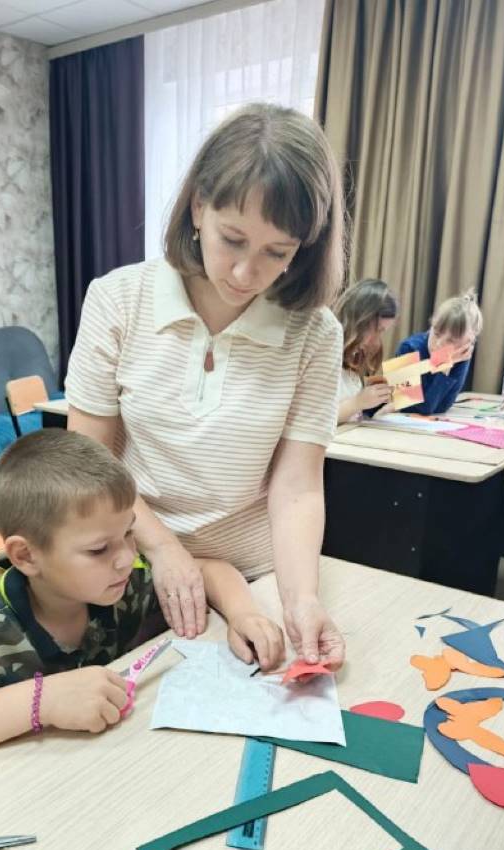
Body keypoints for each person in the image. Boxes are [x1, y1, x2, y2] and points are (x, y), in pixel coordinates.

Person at [65, 103, 346, 668]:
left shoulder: (315, 333)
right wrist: (163, 547)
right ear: (198, 207)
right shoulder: (118, 299)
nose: (245, 273)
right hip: (135, 561)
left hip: (258, 576)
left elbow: (296, 488)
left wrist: (301, 599)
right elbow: (89, 461)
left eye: (277, 253)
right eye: (232, 239)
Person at [0, 429, 285, 788]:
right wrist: (42, 701)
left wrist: (243, 614)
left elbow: (208, 571)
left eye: (129, 534)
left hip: (99, 778)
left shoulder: (116, 581)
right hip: (15, 793)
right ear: (26, 556)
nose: (125, 558)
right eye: (99, 549)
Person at [394, 288, 483, 415]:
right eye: (436, 333)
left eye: (450, 341)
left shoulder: (461, 355)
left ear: (466, 344)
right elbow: (414, 408)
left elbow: (444, 406)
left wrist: (446, 365)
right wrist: (444, 367)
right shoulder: (408, 348)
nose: (439, 342)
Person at [334, 279, 398, 424]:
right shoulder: (327, 350)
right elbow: (317, 420)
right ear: (359, 320)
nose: (376, 340)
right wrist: (358, 402)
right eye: (376, 330)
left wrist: (377, 404)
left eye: (382, 332)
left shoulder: (356, 354)